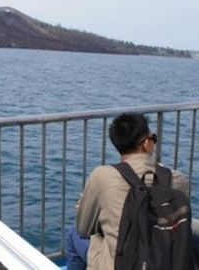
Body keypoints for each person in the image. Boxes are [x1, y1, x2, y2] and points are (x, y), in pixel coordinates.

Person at [66, 112, 189, 270]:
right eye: (153, 138)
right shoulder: (177, 179)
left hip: (119, 265)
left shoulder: (102, 176)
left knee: (73, 234)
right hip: (164, 262)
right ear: (146, 144)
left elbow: (83, 228)